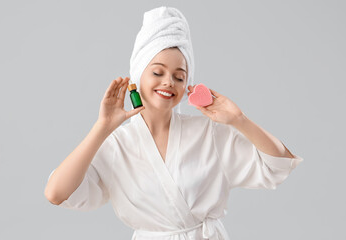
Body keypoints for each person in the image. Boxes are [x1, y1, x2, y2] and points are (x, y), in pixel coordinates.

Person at [44, 6, 304, 240]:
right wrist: (101, 129)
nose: (168, 82)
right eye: (157, 72)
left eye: (179, 77)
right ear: (137, 75)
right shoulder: (116, 146)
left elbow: (278, 163)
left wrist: (239, 120)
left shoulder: (207, 133)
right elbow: (57, 193)